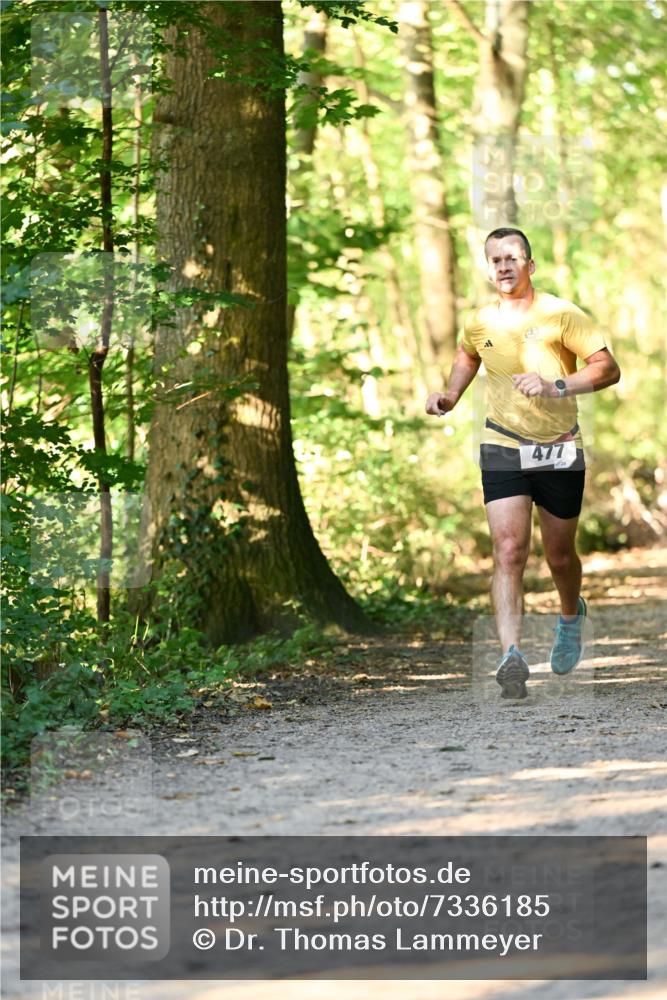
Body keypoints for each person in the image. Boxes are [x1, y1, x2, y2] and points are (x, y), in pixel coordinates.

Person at [426, 228, 620, 699]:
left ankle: (571, 617)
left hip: (559, 445)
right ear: (488, 268)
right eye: (495, 260)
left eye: (512, 257)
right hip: (502, 443)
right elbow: (467, 354)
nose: (504, 266)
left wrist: (557, 386)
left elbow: (607, 368)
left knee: (558, 555)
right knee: (509, 549)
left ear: (530, 265)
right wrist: (451, 394)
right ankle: (511, 655)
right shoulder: (479, 320)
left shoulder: (560, 314)